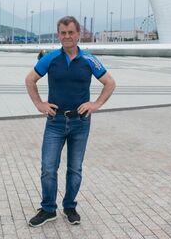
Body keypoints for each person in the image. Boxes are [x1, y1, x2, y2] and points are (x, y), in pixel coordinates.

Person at [25, 16, 116, 227]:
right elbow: (30, 79)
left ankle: (69, 207)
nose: (67, 37)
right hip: (55, 122)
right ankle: (48, 209)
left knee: (75, 168)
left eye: (71, 33)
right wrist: (39, 104)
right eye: (63, 33)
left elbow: (110, 83)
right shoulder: (50, 58)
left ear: (78, 34)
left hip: (80, 123)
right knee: (48, 167)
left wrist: (96, 104)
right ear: (59, 35)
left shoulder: (89, 60)